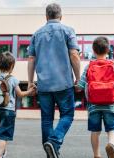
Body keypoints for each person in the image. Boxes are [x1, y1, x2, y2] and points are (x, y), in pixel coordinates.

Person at [27, 3, 80, 158]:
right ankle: (55, 142)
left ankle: (51, 151)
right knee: (68, 115)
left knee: (46, 120)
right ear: (61, 16)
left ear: (46, 16)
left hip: (43, 85)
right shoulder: (68, 31)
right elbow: (74, 55)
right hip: (64, 83)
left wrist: (30, 81)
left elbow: (31, 59)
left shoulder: (36, 34)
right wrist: (78, 78)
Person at [78, 37, 114, 158]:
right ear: (108, 50)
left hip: (93, 106)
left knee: (95, 131)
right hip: (111, 104)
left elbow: (79, 86)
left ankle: (96, 154)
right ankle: (111, 145)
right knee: (112, 129)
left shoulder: (89, 67)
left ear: (93, 50)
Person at [0, 52, 36, 158]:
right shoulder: (12, 79)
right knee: (4, 135)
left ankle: (2, 152)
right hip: (8, 110)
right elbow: (20, 94)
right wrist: (30, 92)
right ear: (11, 66)